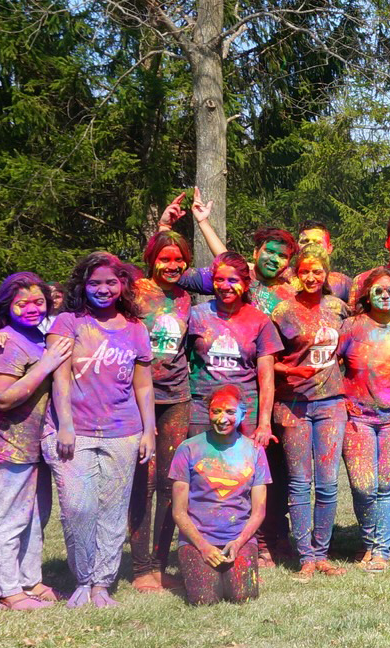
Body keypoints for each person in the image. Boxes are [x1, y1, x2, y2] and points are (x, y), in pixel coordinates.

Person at [46, 252, 155, 609]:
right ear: (83, 285)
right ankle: (82, 578)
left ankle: (101, 585)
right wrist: (64, 425)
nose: (103, 289)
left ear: (123, 285)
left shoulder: (136, 328)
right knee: (77, 506)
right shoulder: (68, 322)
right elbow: (59, 376)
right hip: (74, 431)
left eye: (111, 282)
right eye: (95, 283)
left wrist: (149, 430)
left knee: (112, 509)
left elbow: (143, 386)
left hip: (123, 430)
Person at [185, 252, 284, 565]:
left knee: (244, 480)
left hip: (245, 414)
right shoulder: (197, 315)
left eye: (233, 280)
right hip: (202, 409)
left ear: (245, 283)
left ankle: (253, 544)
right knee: (202, 479)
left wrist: (263, 423)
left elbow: (266, 380)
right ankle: (198, 545)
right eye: (219, 279)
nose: (225, 286)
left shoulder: (259, 321)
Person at [0, 273, 70, 611]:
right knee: (10, 518)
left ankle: (30, 580)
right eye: (23, 303)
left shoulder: (40, 336)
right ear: (8, 306)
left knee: (36, 516)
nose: (32, 308)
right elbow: (3, 398)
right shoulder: (5, 342)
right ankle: (8, 591)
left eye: (38, 302)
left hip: (39, 444)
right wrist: (46, 364)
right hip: (10, 444)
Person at [269, 246, 349, 579]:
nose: (312, 277)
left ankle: (322, 553)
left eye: (317, 271)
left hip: (331, 403)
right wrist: (289, 372)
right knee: (300, 484)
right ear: (296, 274)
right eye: (305, 271)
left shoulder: (338, 308)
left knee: (329, 484)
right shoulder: (283, 312)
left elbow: (349, 348)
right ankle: (305, 557)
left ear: (326, 273)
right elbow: (267, 361)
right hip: (293, 405)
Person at [338, 271, 390, 572]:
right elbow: (330, 367)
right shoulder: (351, 327)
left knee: (387, 486)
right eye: (379, 290)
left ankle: (380, 551)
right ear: (367, 293)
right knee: (363, 487)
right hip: (357, 417)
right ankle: (369, 541)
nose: (385, 295)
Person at [129, 227, 199, 592]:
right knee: (144, 482)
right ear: (152, 260)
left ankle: (159, 564)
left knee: (171, 484)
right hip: (137, 399)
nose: (172, 265)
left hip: (177, 398)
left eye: (178, 259)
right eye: (164, 258)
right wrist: (160, 227)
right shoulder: (135, 291)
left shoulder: (188, 298)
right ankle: (141, 568)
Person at [168, 386, 269, 606]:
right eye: (216, 412)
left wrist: (240, 542)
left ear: (242, 414)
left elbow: (259, 510)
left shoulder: (255, 451)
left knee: (242, 596)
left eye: (230, 412)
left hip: (238, 538)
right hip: (198, 540)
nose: (222, 419)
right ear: (208, 413)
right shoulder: (188, 449)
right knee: (204, 600)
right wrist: (202, 546)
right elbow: (178, 511)